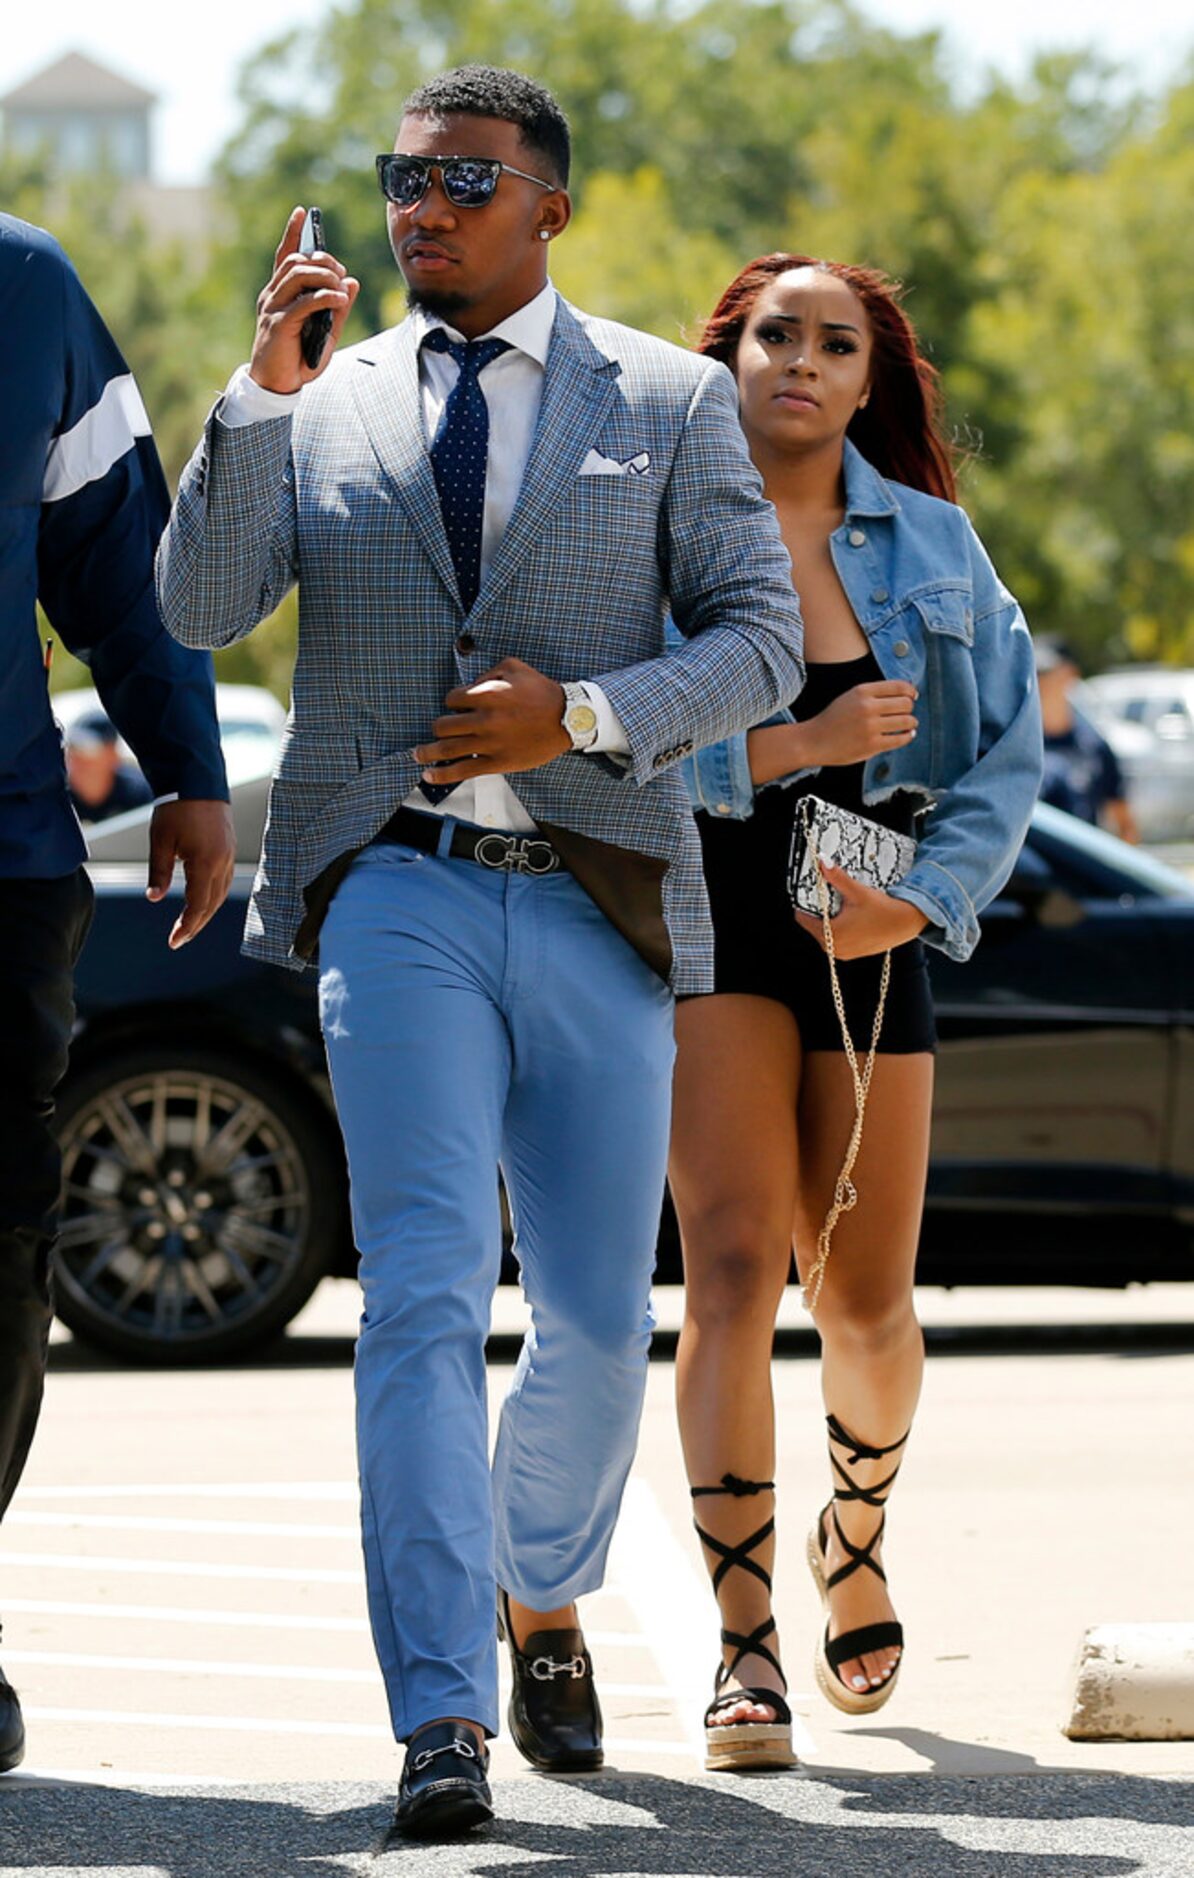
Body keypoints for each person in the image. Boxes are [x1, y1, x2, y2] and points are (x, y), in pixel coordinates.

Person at [156, 67, 803, 1840]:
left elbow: (755, 640)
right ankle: (437, 1708)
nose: (419, 207)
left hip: (598, 895)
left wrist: (580, 711)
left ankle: (540, 1590)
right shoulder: (324, 402)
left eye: (462, 177)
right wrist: (256, 396)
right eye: (401, 178)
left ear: (547, 207)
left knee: (595, 1323)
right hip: (395, 891)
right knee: (425, 1293)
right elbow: (199, 610)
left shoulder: (664, 401)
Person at [667, 253, 1043, 1771]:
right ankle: (743, 1644)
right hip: (710, 904)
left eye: (834, 343)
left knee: (869, 1302)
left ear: (866, 378)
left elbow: (1000, 759)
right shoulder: (665, 529)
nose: (802, 363)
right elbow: (614, 741)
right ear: (730, 356)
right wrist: (790, 744)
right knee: (736, 1266)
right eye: (776, 337)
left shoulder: (935, 546)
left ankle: (854, 1532)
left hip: (870, 906)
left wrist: (922, 895)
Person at [0, 211, 235, 1774]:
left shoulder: (25, 289)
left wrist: (192, 769)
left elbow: (114, 553)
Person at [1036, 636, 1139, 842]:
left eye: (1045, 672)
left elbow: (1124, 823)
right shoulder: (1013, 744)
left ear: (1070, 673)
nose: (1039, 680)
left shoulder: (1093, 745)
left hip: (1078, 865)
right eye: (1034, 672)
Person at [64, 710, 155, 825]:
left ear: (113, 755)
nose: (76, 758)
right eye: (71, 747)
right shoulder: (58, 801)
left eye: (85, 749)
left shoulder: (140, 794)